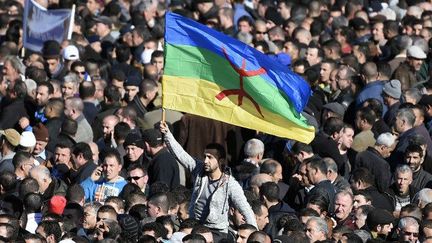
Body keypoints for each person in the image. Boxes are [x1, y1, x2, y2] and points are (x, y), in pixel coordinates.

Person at [160, 122, 257, 239]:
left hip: (217, 232)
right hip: (197, 227)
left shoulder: (230, 184)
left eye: (210, 157)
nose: (205, 161)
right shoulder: (199, 170)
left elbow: (246, 209)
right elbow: (181, 155)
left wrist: (255, 236)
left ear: (220, 161)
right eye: (205, 156)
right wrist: (167, 134)